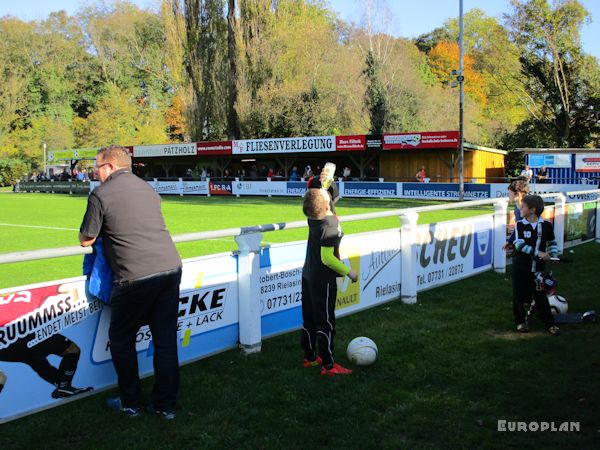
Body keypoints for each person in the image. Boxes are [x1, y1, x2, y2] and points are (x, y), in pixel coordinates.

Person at [79, 145, 182, 419]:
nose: (95, 172)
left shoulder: (100, 194)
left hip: (135, 275)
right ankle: (165, 405)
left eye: (97, 167)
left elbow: (86, 238)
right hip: (170, 267)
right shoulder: (147, 188)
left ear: (110, 166)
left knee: (121, 338)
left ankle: (131, 402)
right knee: (165, 340)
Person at [301, 189, 358, 376]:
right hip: (323, 280)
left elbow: (320, 202)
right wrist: (349, 272)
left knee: (309, 319)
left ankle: (310, 358)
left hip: (308, 275)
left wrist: (324, 185)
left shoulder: (313, 217)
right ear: (326, 205)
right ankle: (329, 366)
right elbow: (327, 258)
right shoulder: (331, 224)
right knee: (325, 322)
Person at [503, 195, 560, 335]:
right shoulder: (519, 224)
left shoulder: (547, 225)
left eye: (522, 207)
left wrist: (553, 255)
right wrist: (539, 254)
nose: (520, 209)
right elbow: (519, 244)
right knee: (519, 295)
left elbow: (552, 243)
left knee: (540, 295)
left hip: (538, 269)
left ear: (532, 210)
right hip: (520, 267)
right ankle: (520, 322)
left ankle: (549, 323)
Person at [0, 333, 92, 399]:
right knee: (72, 350)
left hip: (6, 347)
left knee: (36, 361)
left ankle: (63, 388)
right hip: (20, 336)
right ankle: (64, 387)